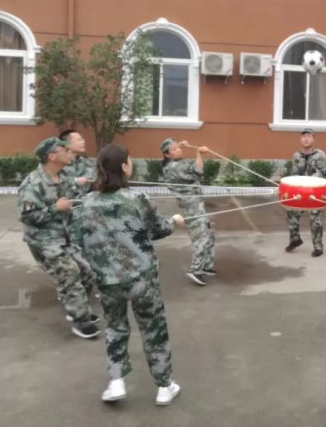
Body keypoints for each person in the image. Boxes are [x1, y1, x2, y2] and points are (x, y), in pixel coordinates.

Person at [76, 144, 183, 406]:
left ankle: (116, 382)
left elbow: (79, 238)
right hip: (142, 279)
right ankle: (164, 386)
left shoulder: (87, 202)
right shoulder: (137, 198)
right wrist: (174, 221)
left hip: (107, 281)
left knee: (115, 328)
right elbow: (158, 229)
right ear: (124, 167)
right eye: (130, 161)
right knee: (153, 330)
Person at [17, 137, 99, 339]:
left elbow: (77, 194)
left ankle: (76, 307)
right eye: (64, 150)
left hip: (65, 236)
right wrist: (55, 208)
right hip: (43, 240)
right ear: (52, 156)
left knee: (87, 271)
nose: (69, 152)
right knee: (69, 273)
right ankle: (81, 320)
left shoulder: (64, 176)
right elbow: (27, 216)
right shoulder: (33, 183)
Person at [161, 138, 216, 286]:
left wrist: (179, 145)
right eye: (174, 150)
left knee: (208, 234)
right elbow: (197, 172)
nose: (178, 150)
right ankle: (195, 269)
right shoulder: (174, 167)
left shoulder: (175, 163)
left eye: (178, 147)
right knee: (201, 237)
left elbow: (192, 168)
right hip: (191, 207)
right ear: (166, 155)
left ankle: (205, 266)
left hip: (196, 204)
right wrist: (199, 153)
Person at [285, 128, 326, 257]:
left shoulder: (320, 155)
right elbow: (294, 174)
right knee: (291, 210)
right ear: (300, 139)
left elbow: (323, 173)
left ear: (314, 138)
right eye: (304, 136)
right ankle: (295, 239)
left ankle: (318, 246)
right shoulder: (296, 155)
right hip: (300, 192)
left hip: (315, 192)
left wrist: (309, 181)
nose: (306, 139)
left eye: (309, 136)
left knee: (315, 218)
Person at [60, 129, 95, 195]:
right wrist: (75, 181)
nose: (83, 142)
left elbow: (92, 181)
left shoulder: (86, 162)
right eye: (79, 140)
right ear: (66, 144)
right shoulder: (58, 164)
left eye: (82, 139)